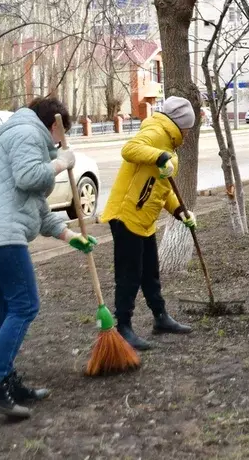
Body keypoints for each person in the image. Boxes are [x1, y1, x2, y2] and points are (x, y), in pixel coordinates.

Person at [0, 97, 98, 419]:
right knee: (25, 305)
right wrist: (60, 163)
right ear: (54, 124)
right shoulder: (27, 134)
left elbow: (35, 205)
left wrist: (71, 236)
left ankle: (5, 378)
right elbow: (30, 178)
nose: (59, 143)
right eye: (60, 135)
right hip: (4, 233)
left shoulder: (17, 135)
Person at [101, 96, 197, 351]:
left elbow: (161, 188)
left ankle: (160, 317)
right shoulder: (155, 133)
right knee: (129, 276)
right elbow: (129, 149)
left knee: (150, 273)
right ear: (180, 125)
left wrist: (180, 211)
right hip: (126, 215)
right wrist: (161, 156)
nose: (188, 133)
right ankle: (123, 327)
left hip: (143, 218)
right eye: (188, 128)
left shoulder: (169, 144)